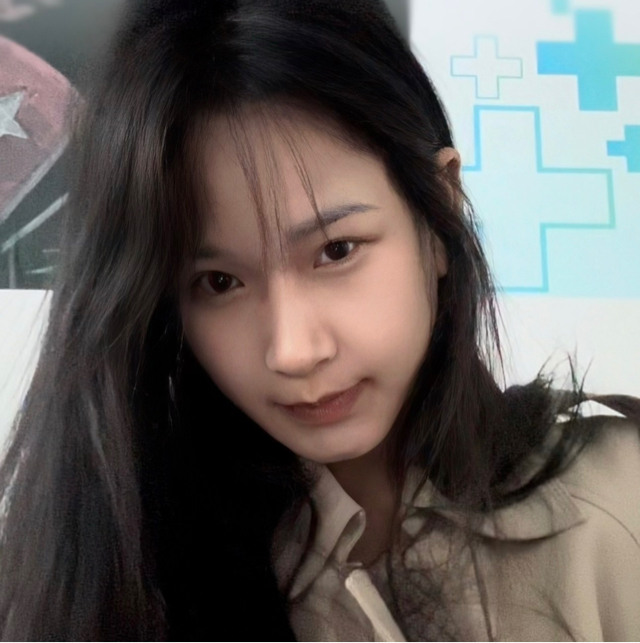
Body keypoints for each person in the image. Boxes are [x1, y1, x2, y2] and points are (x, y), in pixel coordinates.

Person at [0, 0, 638, 640]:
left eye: (336, 251)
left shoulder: (618, 503)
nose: (293, 350)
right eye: (219, 282)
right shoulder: (109, 571)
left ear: (440, 211)